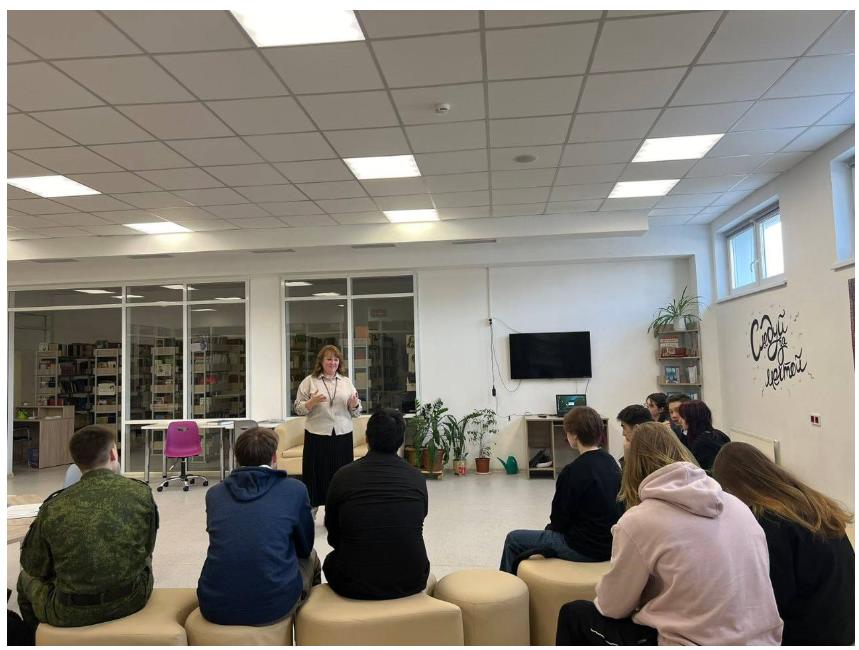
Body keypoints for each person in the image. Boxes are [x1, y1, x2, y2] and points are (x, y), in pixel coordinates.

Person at [555, 423, 782, 646]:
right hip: (763, 641)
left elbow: (612, 606)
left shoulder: (639, 521)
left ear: (632, 466)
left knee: (574, 614)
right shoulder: (736, 504)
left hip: (693, 641)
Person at [17, 425, 158, 631]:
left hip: (69, 611)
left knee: (25, 579)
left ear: (76, 462)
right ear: (113, 454)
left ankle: (33, 638)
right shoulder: (141, 493)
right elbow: (147, 546)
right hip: (133, 599)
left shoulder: (54, 506)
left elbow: (34, 566)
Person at [712, 442, 854, 645]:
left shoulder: (770, 523)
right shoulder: (811, 501)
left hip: (814, 635)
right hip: (845, 624)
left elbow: (770, 604)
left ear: (732, 488)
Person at [197, 427, 320, 625]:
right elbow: (305, 547)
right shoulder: (295, 490)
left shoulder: (215, 494)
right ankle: (309, 624)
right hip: (273, 606)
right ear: (274, 457)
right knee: (312, 557)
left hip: (214, 604)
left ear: (237, 458)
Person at [323, 408, 430, 599]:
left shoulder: (343, 476)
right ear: (400, 441)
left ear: (367, 438)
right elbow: (417, 519)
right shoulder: (416, 477)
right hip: (412, 578)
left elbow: (333, 534)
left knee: (329, 560)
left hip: (353, 582)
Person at [500, 406, 621, 573]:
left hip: (583, 548)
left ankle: (508, 585)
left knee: (513, 539)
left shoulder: (572, 471)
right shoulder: (612, 462)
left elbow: (559, 521)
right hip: (611, 545)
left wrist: (549, 532)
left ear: (574, 436)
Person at [293, 344, 362, 515]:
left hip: (342, 434)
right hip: (317, 435)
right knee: (315, 475)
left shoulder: (346, 382)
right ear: (321, 362)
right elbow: (298, 409)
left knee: (342, 475)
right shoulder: (310, 381)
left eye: (336, 359)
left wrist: (354, 405)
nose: (333, 362)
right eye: (329, 359)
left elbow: (356, 412)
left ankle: (339, 511)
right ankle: (312, 509)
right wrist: (311, 402)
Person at [677, 399, 729, 472]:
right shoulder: (719, 434)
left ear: (692, 419)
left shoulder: (701, 443)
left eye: (682, 417)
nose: (679, 420)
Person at [616, 404, 653, 469]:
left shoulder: (648, 458)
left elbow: (629, 476)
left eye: (624, 427)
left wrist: (627, 456)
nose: (623, 433)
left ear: (636, 428)